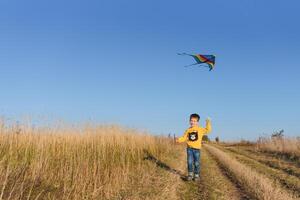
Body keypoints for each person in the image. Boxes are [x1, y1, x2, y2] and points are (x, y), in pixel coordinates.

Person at [176, 113, 212, 181]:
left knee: (196, 163)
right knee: (189, 162)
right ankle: (190, 174)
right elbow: (184, 138)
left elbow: (208, 130)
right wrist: (179, 140)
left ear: (197, 122)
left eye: (194, 121)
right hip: (189, 149)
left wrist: (208, 122)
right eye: (191, 120)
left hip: (197, 149)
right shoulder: (188, 130)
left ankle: (196, 175)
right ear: (189, 121)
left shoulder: (200, 129)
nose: (192, 122)